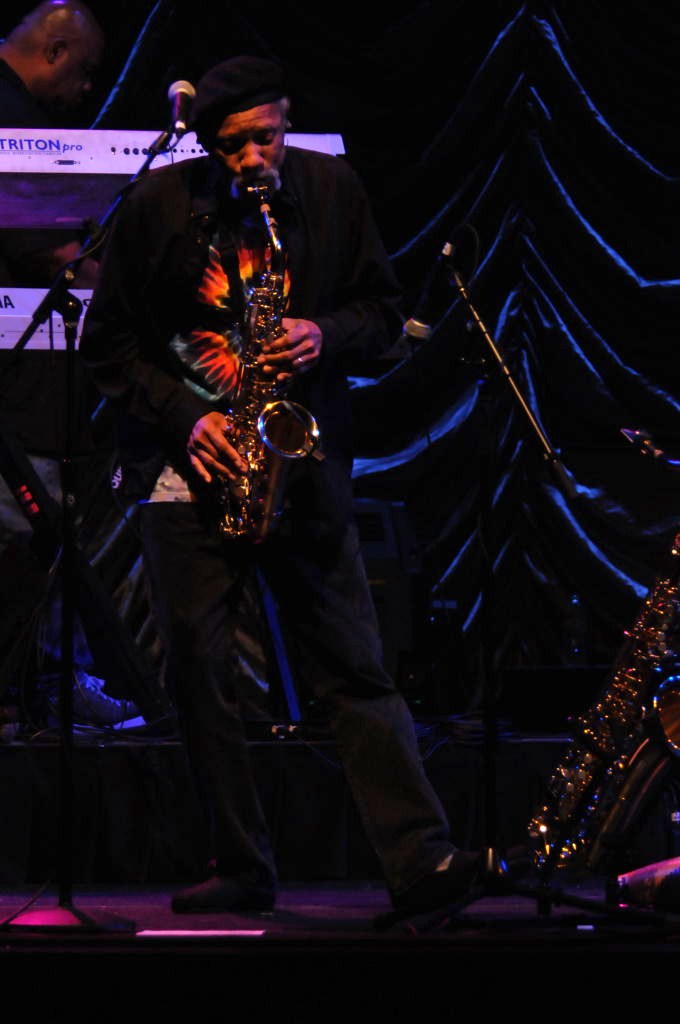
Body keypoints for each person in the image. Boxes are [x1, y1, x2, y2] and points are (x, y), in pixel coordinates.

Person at [79, 54, 481, 917]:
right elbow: (106, 345)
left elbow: (383, 314)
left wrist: (323, 333)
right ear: (206, 143)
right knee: (201, 675)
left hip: (300, 469)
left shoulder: (332, 190)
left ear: (287, 120)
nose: (252, 159)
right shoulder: (158, 206)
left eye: (265, 138)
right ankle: (239, 865)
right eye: (232, 146)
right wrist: (187, 418)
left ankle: (420, 861)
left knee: (356, 669)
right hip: (188, 470)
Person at [0, 2, 140, 730]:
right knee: (27, 532)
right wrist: (128, 287)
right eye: (84, 72)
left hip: (31, 376)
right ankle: (35, 688)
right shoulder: (9, 115)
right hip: (17, 380)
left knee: (38, 532)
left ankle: (39, 684)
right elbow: (40, 244)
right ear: (55, 51)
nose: (87, 90)